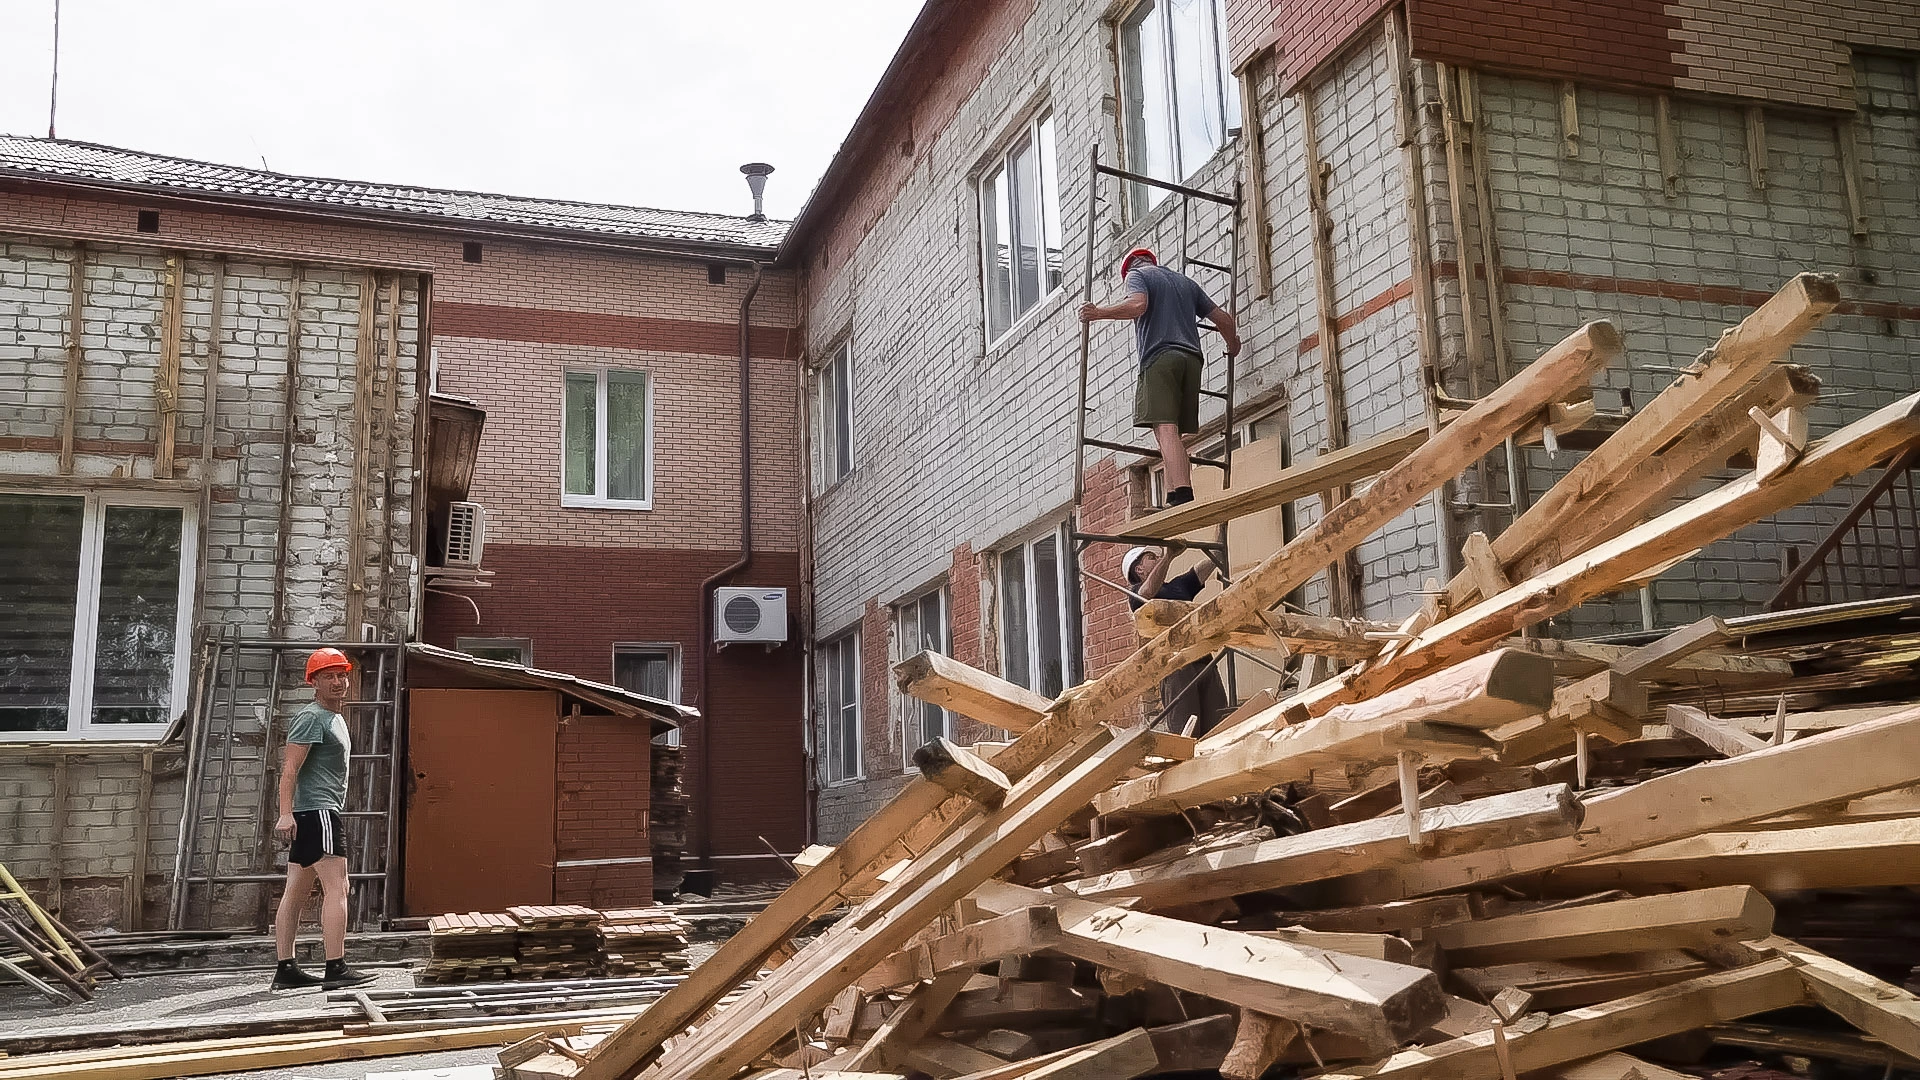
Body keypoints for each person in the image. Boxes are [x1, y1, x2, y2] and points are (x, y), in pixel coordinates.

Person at [1080, 247, 1240, 508]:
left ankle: (1184, 492)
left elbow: (1137, 305)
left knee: (1165, 429)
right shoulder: (1185, 282)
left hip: (1161, 358)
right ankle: (1173, 493)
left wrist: (1098, 313)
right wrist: (1233, 343)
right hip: (1192, 360)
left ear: (1129, 268)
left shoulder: (1136, 275)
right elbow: (1222, 318)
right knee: (1171, 433)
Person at [270, 647, 374, 990]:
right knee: (338, 887)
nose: (338, 682)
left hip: (314, 813)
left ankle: (286, 969)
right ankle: (336, 967)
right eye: (328, 676)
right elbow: (289, 771)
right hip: (318, 812)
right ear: (314, 682)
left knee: (296, 891)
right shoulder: (312, 716)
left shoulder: (335, 718)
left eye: (341, 675)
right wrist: (285, 814)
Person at [1123, 545, 1230, 738]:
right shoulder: (1136, 594)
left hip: (1204, 661)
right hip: (1177, 668)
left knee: (1220, 728)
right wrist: (1169, 554)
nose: (1157, 558)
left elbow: (1211, 561)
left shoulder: (1177, 586)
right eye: (1151, 557)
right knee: (1186, 735)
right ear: (1139, 569)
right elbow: (1147, 592)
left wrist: (1220, 527)